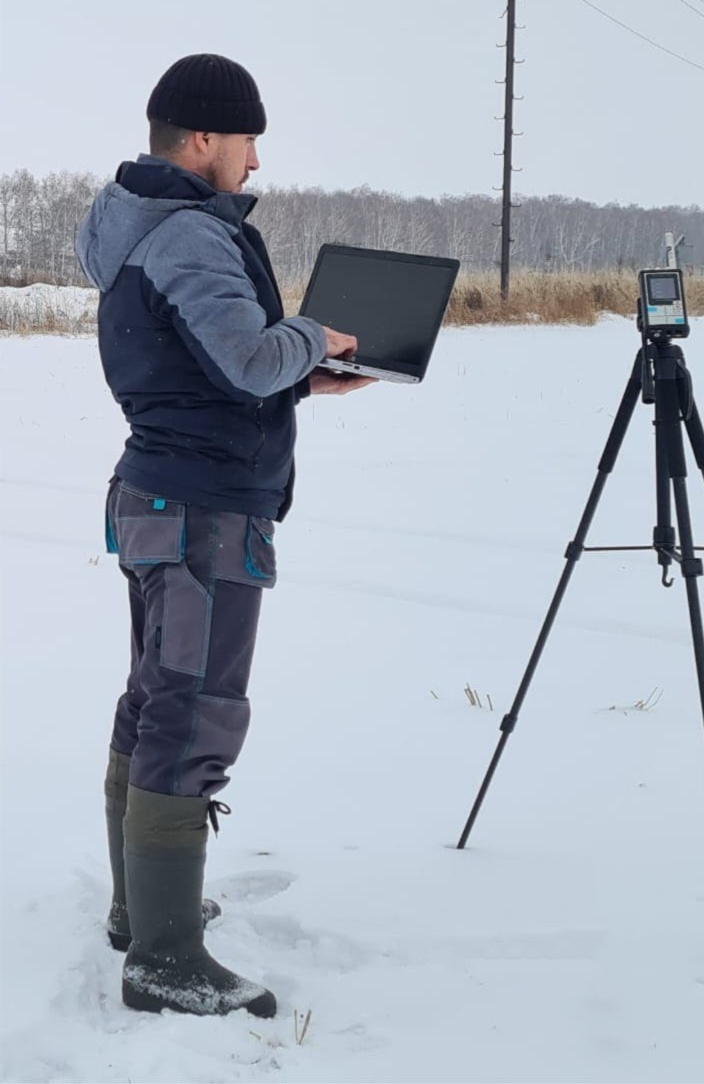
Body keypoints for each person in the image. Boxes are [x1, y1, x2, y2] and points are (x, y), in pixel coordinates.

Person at [76, 53, 374, 1019]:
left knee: (156, 701)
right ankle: (164, 955)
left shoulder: (130, 224)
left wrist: (297, 377)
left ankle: (140, 912)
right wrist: (313, 339)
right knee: (194, 711)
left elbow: (198, 359)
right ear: (201, 139)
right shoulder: (190, 235)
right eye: (247, 142)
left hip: (159, 494)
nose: (255, 161)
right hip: (203, 512)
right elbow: (245, 355)